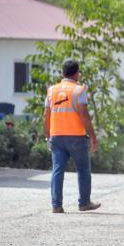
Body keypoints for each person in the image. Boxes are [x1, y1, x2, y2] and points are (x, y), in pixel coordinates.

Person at [44, 59, 100, 214]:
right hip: (76, 137)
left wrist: (48, 135)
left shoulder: (51, 91)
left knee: (57, 170)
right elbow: (85, 115)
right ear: (77, 73)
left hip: (56, 136)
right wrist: (93, 137)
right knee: (83, 169)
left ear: (63, 73)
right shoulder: (79, 90)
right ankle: (84, 203)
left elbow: (46, 115)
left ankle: (56, 205)